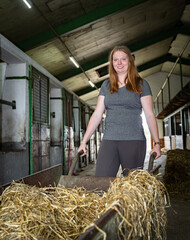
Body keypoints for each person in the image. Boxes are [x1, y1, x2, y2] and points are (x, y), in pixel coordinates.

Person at [78, 46, 161, 177]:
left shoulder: (141, 84)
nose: (119, 63)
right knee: (101, 181)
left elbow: (149, 115)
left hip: (133, 141)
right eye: (115, 60)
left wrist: (157, 143)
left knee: (131, 186)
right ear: (112, 63)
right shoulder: (106, 85)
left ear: (130, 62)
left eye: (123, 59)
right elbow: (97, 114)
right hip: (109, 140)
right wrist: (84, 142)